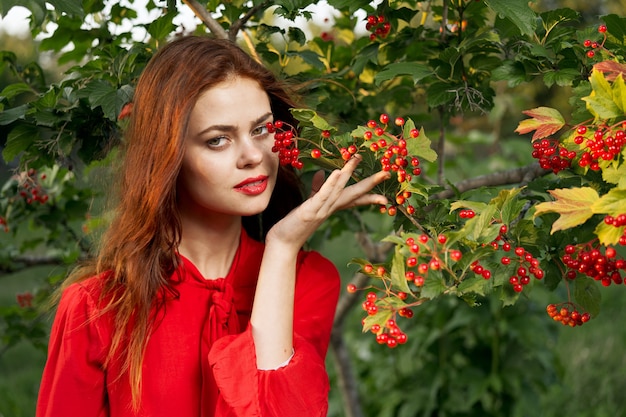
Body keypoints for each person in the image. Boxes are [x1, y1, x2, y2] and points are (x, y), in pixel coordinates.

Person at [35, 35, 390, 417]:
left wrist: (282, 247)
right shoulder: (97, 308)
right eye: (218, 140)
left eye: (261, 129)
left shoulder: (306, 280)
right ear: (169, 155)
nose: (253, 156)